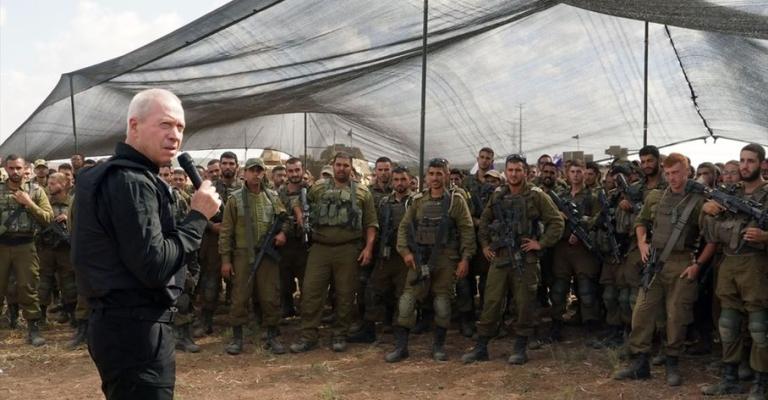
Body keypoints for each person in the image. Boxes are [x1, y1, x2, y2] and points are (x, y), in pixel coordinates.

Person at [72, 88, 220, 400]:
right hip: (136, 333)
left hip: (117, 326)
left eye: (180, 127)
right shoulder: (132, 182)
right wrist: (198, 217)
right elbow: (154, 266)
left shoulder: (108, 175)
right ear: (134, 125)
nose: (175, 135)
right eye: (165, 124)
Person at [614, 152, 715, 387]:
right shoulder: (655, 197)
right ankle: (640, 362)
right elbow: (641, 221)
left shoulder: (699, 202)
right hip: (655, 262)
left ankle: (672, 361)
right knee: (642, 311)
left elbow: (712, 240)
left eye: (676, 173)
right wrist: (642, 243)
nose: (672, 178)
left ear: (687, 171)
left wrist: (697, 266)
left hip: (682, 263)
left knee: (676, 316)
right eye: (668, 173)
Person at [462, 154, 564, 365]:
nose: (514, 174)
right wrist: (485, 246)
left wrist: (541, 243)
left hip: (525, 259)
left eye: (518, 170)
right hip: (500, 257)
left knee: (524, 303)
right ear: (506, 172)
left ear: (525, 172)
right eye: (510, 170)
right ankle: (481, 347)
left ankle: (520, 347)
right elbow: (484, 222)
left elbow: (556, 222)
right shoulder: (498, 194)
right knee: (491, 302)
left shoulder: (536, 196)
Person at [386, 157, 475, 362]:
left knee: (442, 303)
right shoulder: (418, 201)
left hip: (446, 258)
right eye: (432, 174)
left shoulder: (456, 201)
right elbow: (404, 227)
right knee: (407, 302)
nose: (435, 178)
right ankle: (401, 347)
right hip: (420, 257)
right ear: (426, 176)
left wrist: (465, 258)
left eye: (439, 174)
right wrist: (405, 252)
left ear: (447, 175)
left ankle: (438, 346)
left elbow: (467, 230)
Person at [289, 152, 378, 353]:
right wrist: (300, 215)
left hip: (348, 249)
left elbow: (371, 223)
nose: (341, 169)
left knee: (345, 295)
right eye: (338, 165)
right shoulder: (319, 188)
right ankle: (308, 335)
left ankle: (340, 334)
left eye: (346, 165)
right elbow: (298, 202)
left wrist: (368, 248)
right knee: (311, 292)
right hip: (320, 248)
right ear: (333, 166)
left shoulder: (363, 192)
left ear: (351, 168)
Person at [701, 144, 768, 398]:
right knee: (727, 323)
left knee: (759, 327)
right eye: (742, 160)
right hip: (728, 262)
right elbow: (710, 230)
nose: (745, 166)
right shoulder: (730, 192)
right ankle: (730, 377)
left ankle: (761, 382)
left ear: (761, 164)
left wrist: (765, 237)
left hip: (756, 265)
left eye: (751, 161)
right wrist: (706, 210)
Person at [219, 157, 288, 355]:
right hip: (242, 254)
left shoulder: (272, 197)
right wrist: (225, 260)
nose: (256, 174)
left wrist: (283, 233)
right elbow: (226, 232)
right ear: (245, 173)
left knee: (270, 296)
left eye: (259, 170)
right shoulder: (235, 199)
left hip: (267, 255)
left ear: (263, 173)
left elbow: (285, 219)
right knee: (240, 296)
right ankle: (237, 338)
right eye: (252, 170)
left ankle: (272, 336)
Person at [0, 154, 53, 346]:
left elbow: (48, 218)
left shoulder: (36, 190)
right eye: (11, 168)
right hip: (1, 245)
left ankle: (33, 329)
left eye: (18, 168)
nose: (15, 171)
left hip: (26, 245)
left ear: (25, 169)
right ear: (5, 168)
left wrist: (29, 203)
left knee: (28, 287)